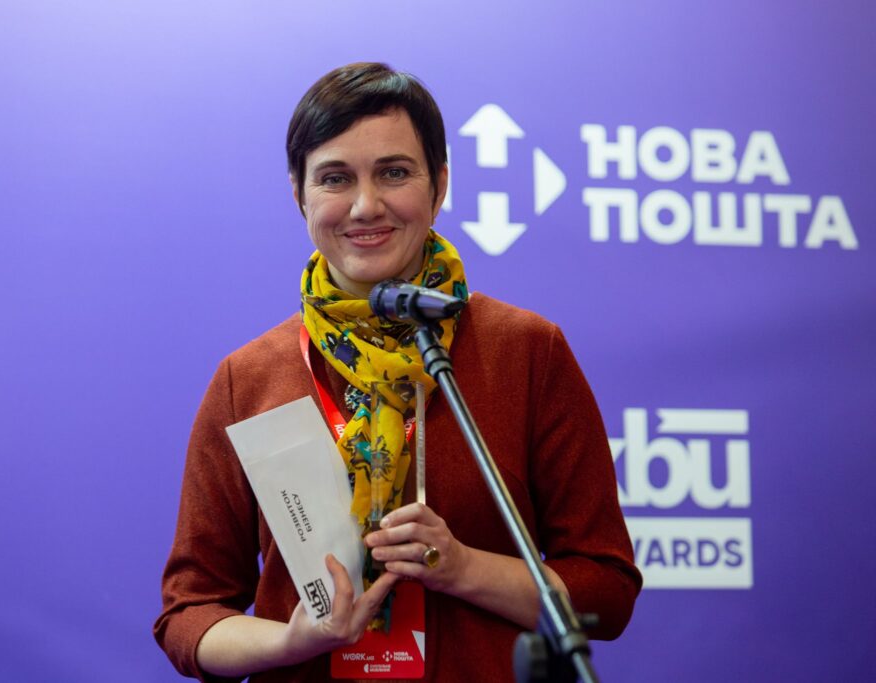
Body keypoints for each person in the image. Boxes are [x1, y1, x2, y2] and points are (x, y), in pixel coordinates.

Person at [154, 62, 641, 682]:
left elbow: (606, 589)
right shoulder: (248, 378)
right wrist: (289, 641)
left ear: (439, 184)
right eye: (335, 178)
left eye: (394, 172)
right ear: (299, 194)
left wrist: (462, 567)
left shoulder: (525, 351)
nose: (366, 205)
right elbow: (189, 614)